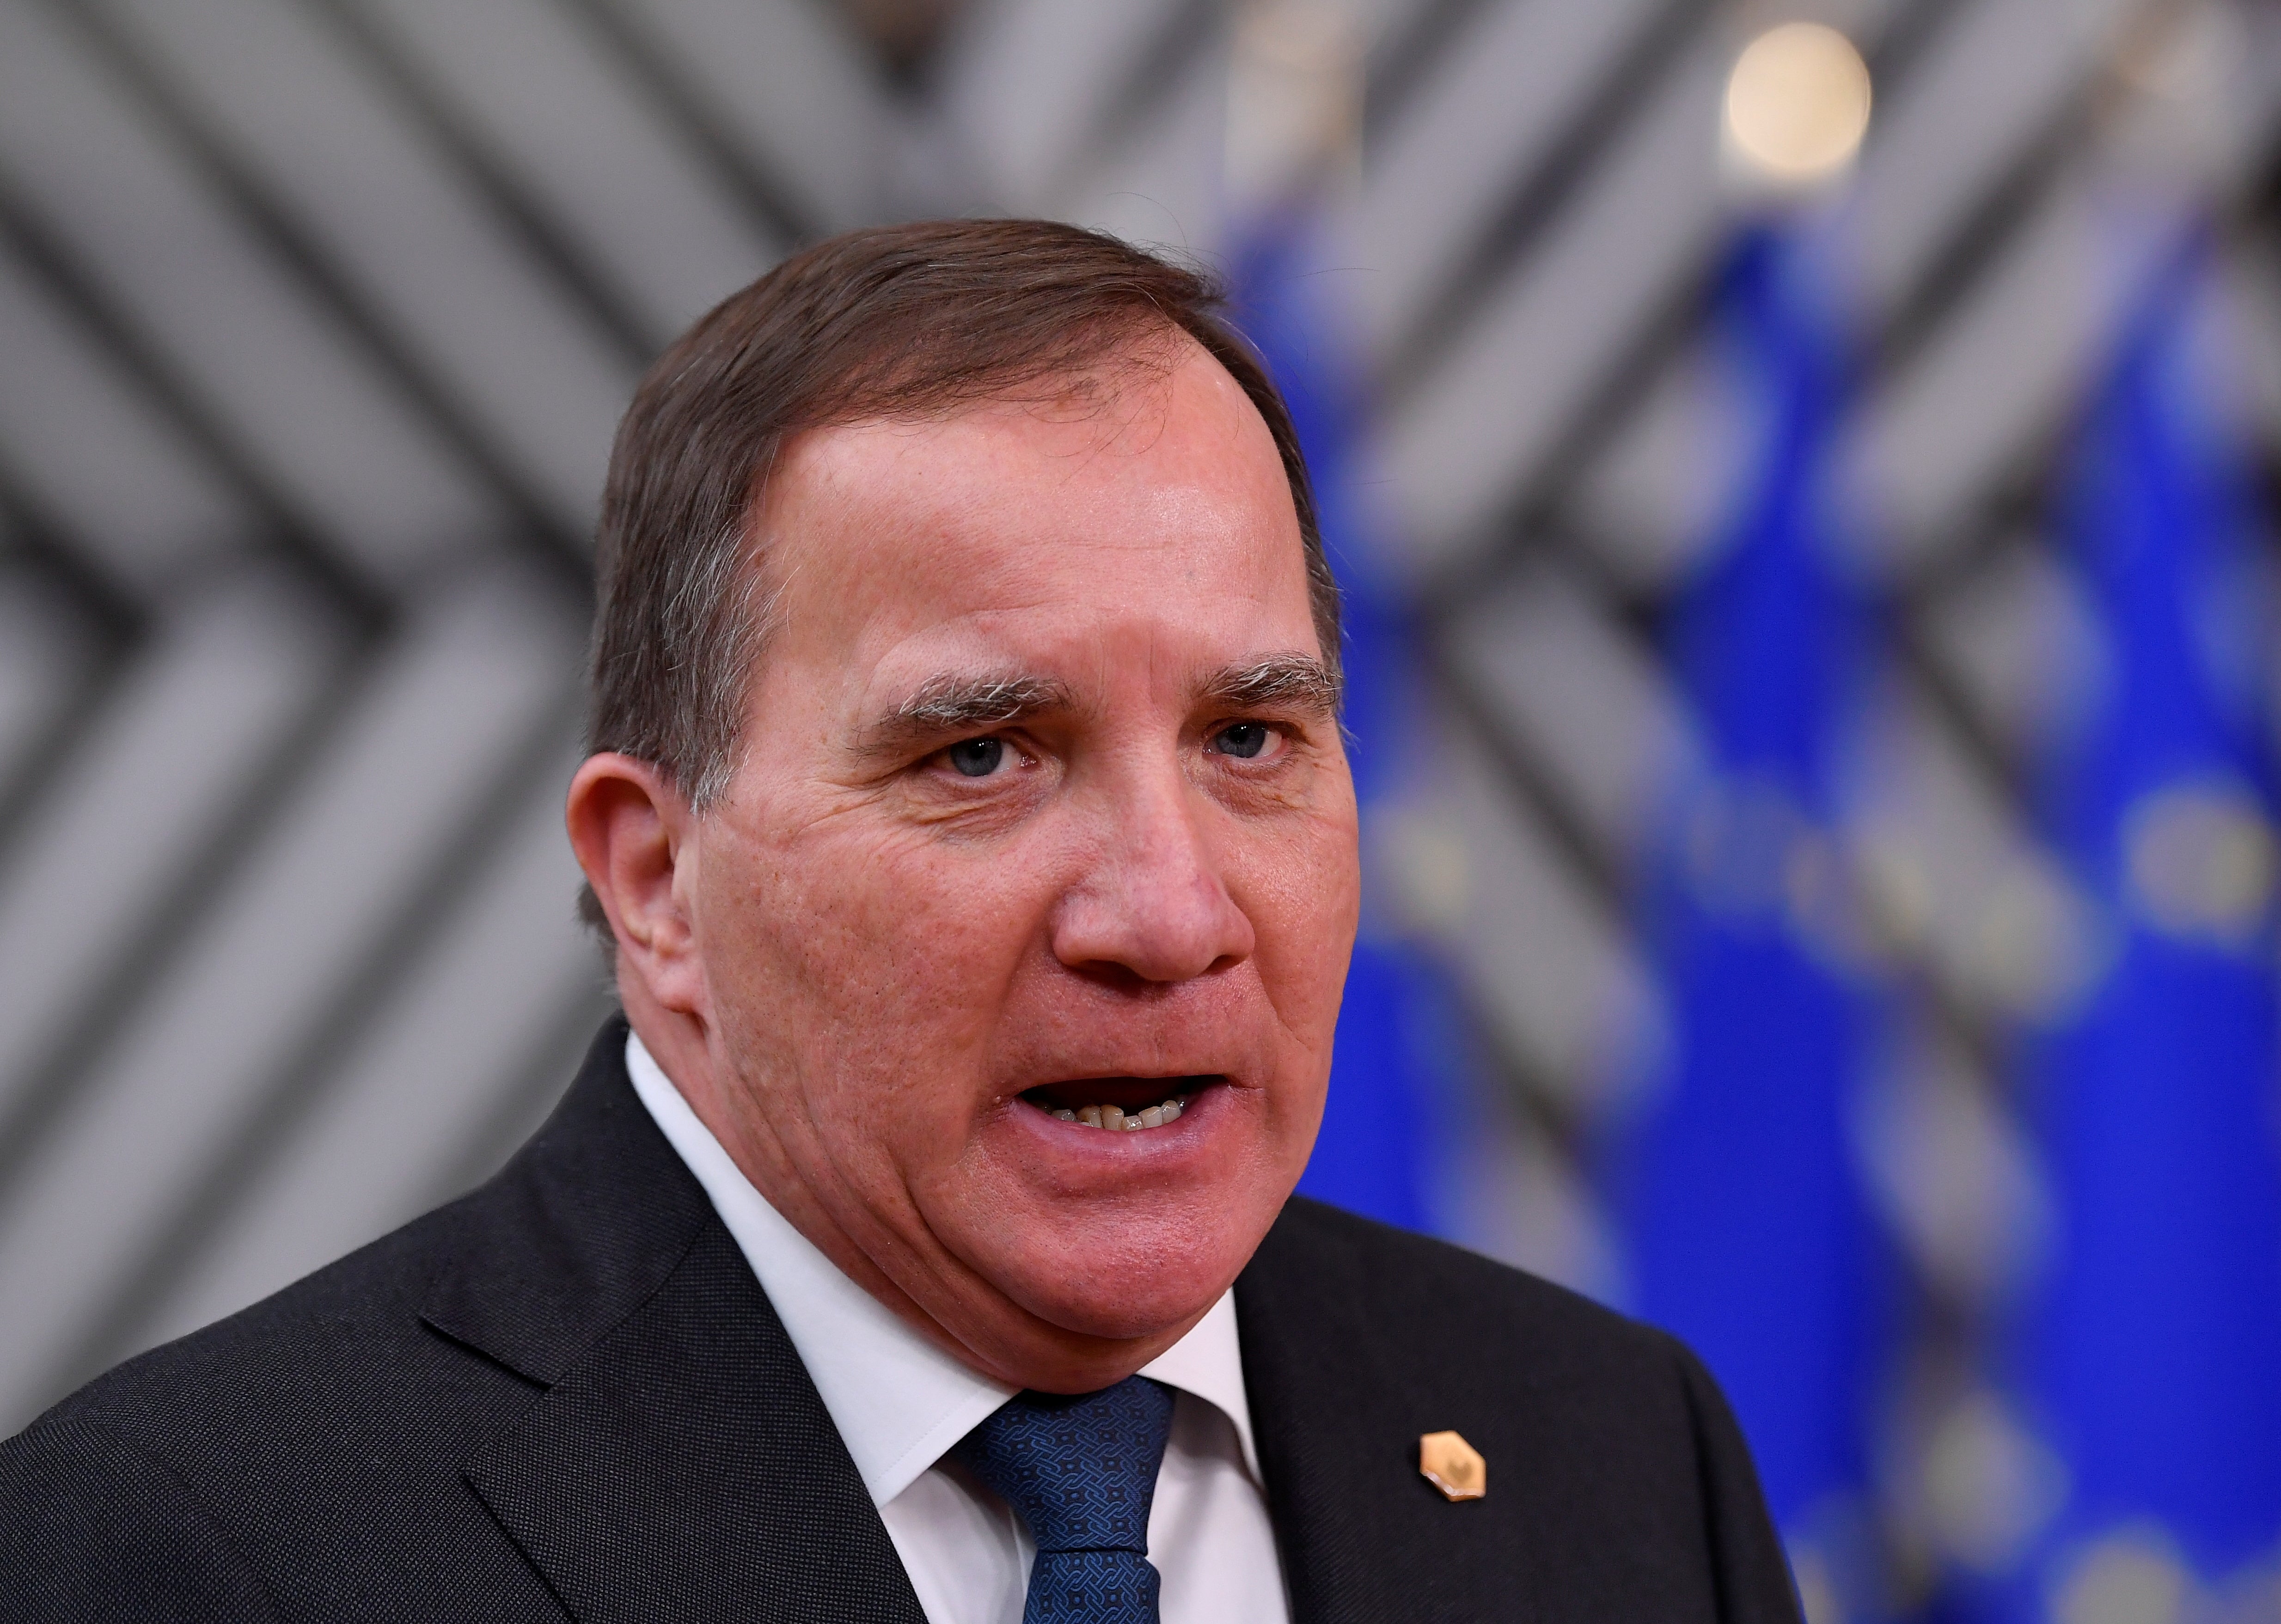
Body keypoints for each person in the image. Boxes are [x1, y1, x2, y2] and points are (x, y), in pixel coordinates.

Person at [0, 220, 1799, 1623]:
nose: (1167, 915)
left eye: (1249, 738)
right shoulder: (192, 1556)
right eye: (982, 756)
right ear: (657, 883)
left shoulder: (1609, 1459)